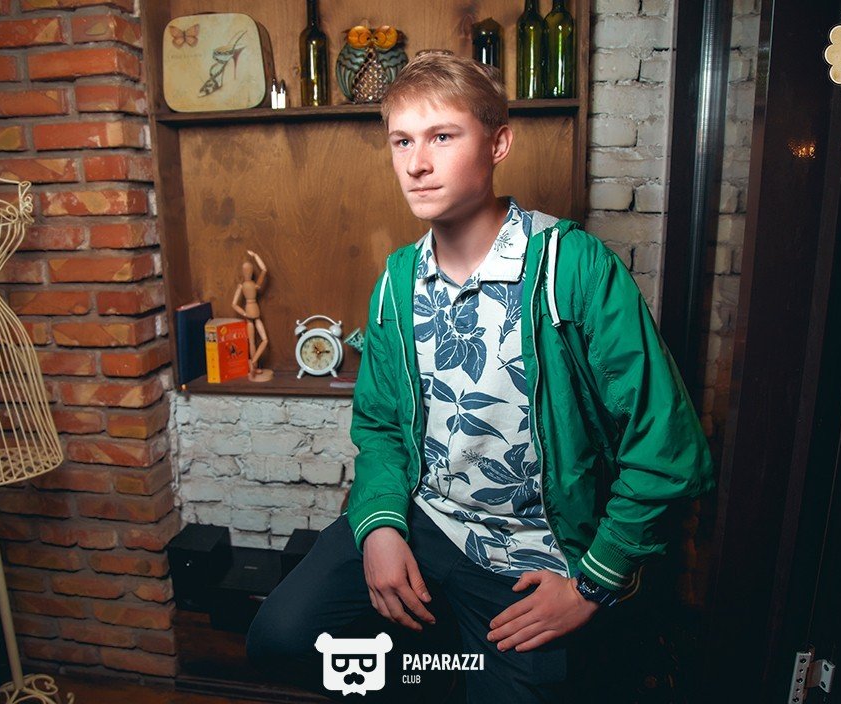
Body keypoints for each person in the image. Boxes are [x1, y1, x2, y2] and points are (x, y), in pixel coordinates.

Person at [246, 52, 715, 703]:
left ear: (498, 144)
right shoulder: (398, 282)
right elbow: (380, 426)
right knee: (279, 638)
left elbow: (667, 450)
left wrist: (592, 585)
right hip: (423, 522)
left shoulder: (572, 268)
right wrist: (379, 528)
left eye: (442, 136)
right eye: (402, 141)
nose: (416, 163)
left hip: (530, 557)